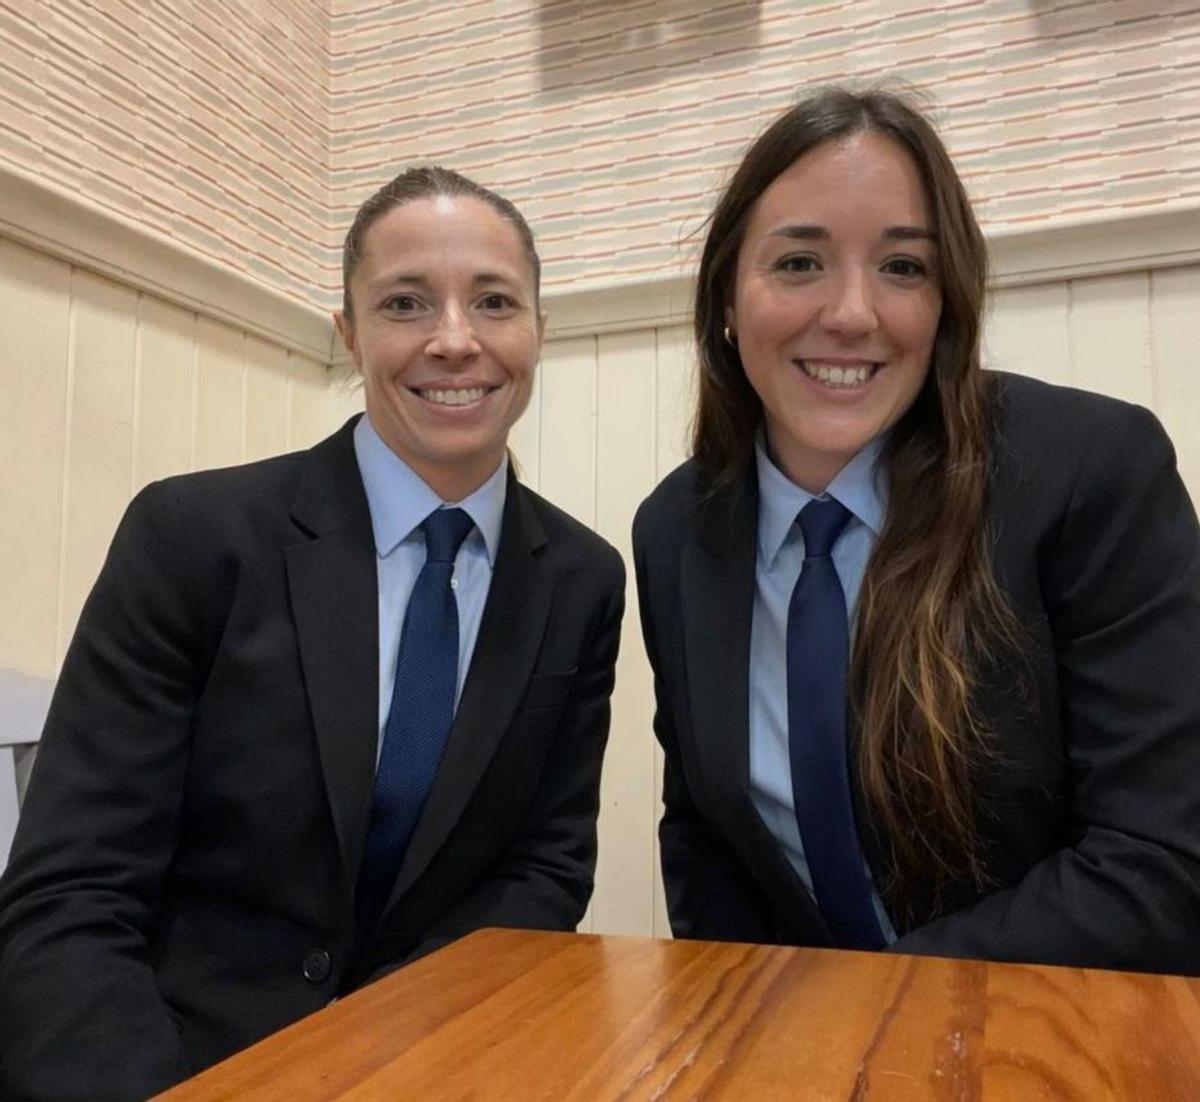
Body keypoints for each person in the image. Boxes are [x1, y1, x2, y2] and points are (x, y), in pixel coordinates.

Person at [0, 167, 625, 1099]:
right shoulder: (193, 537)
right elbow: (71, 895)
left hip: (434, 1062)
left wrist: (393, 1057)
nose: (455, 340)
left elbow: (543, 868)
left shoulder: (582, 579)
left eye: (494, 302)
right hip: (177, 1058)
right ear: (349, 331)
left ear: (538, 329)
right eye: (406, 302)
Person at [633, 87, 1200, 974]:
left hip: (1051, 1036)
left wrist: (874, 1017)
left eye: (903, 267)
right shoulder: (676, 529)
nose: (853, 312)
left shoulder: (1091, 469)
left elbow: (1160, 866)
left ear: (946, 304)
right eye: (798, 264)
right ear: (728, 300)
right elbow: (704, 839)